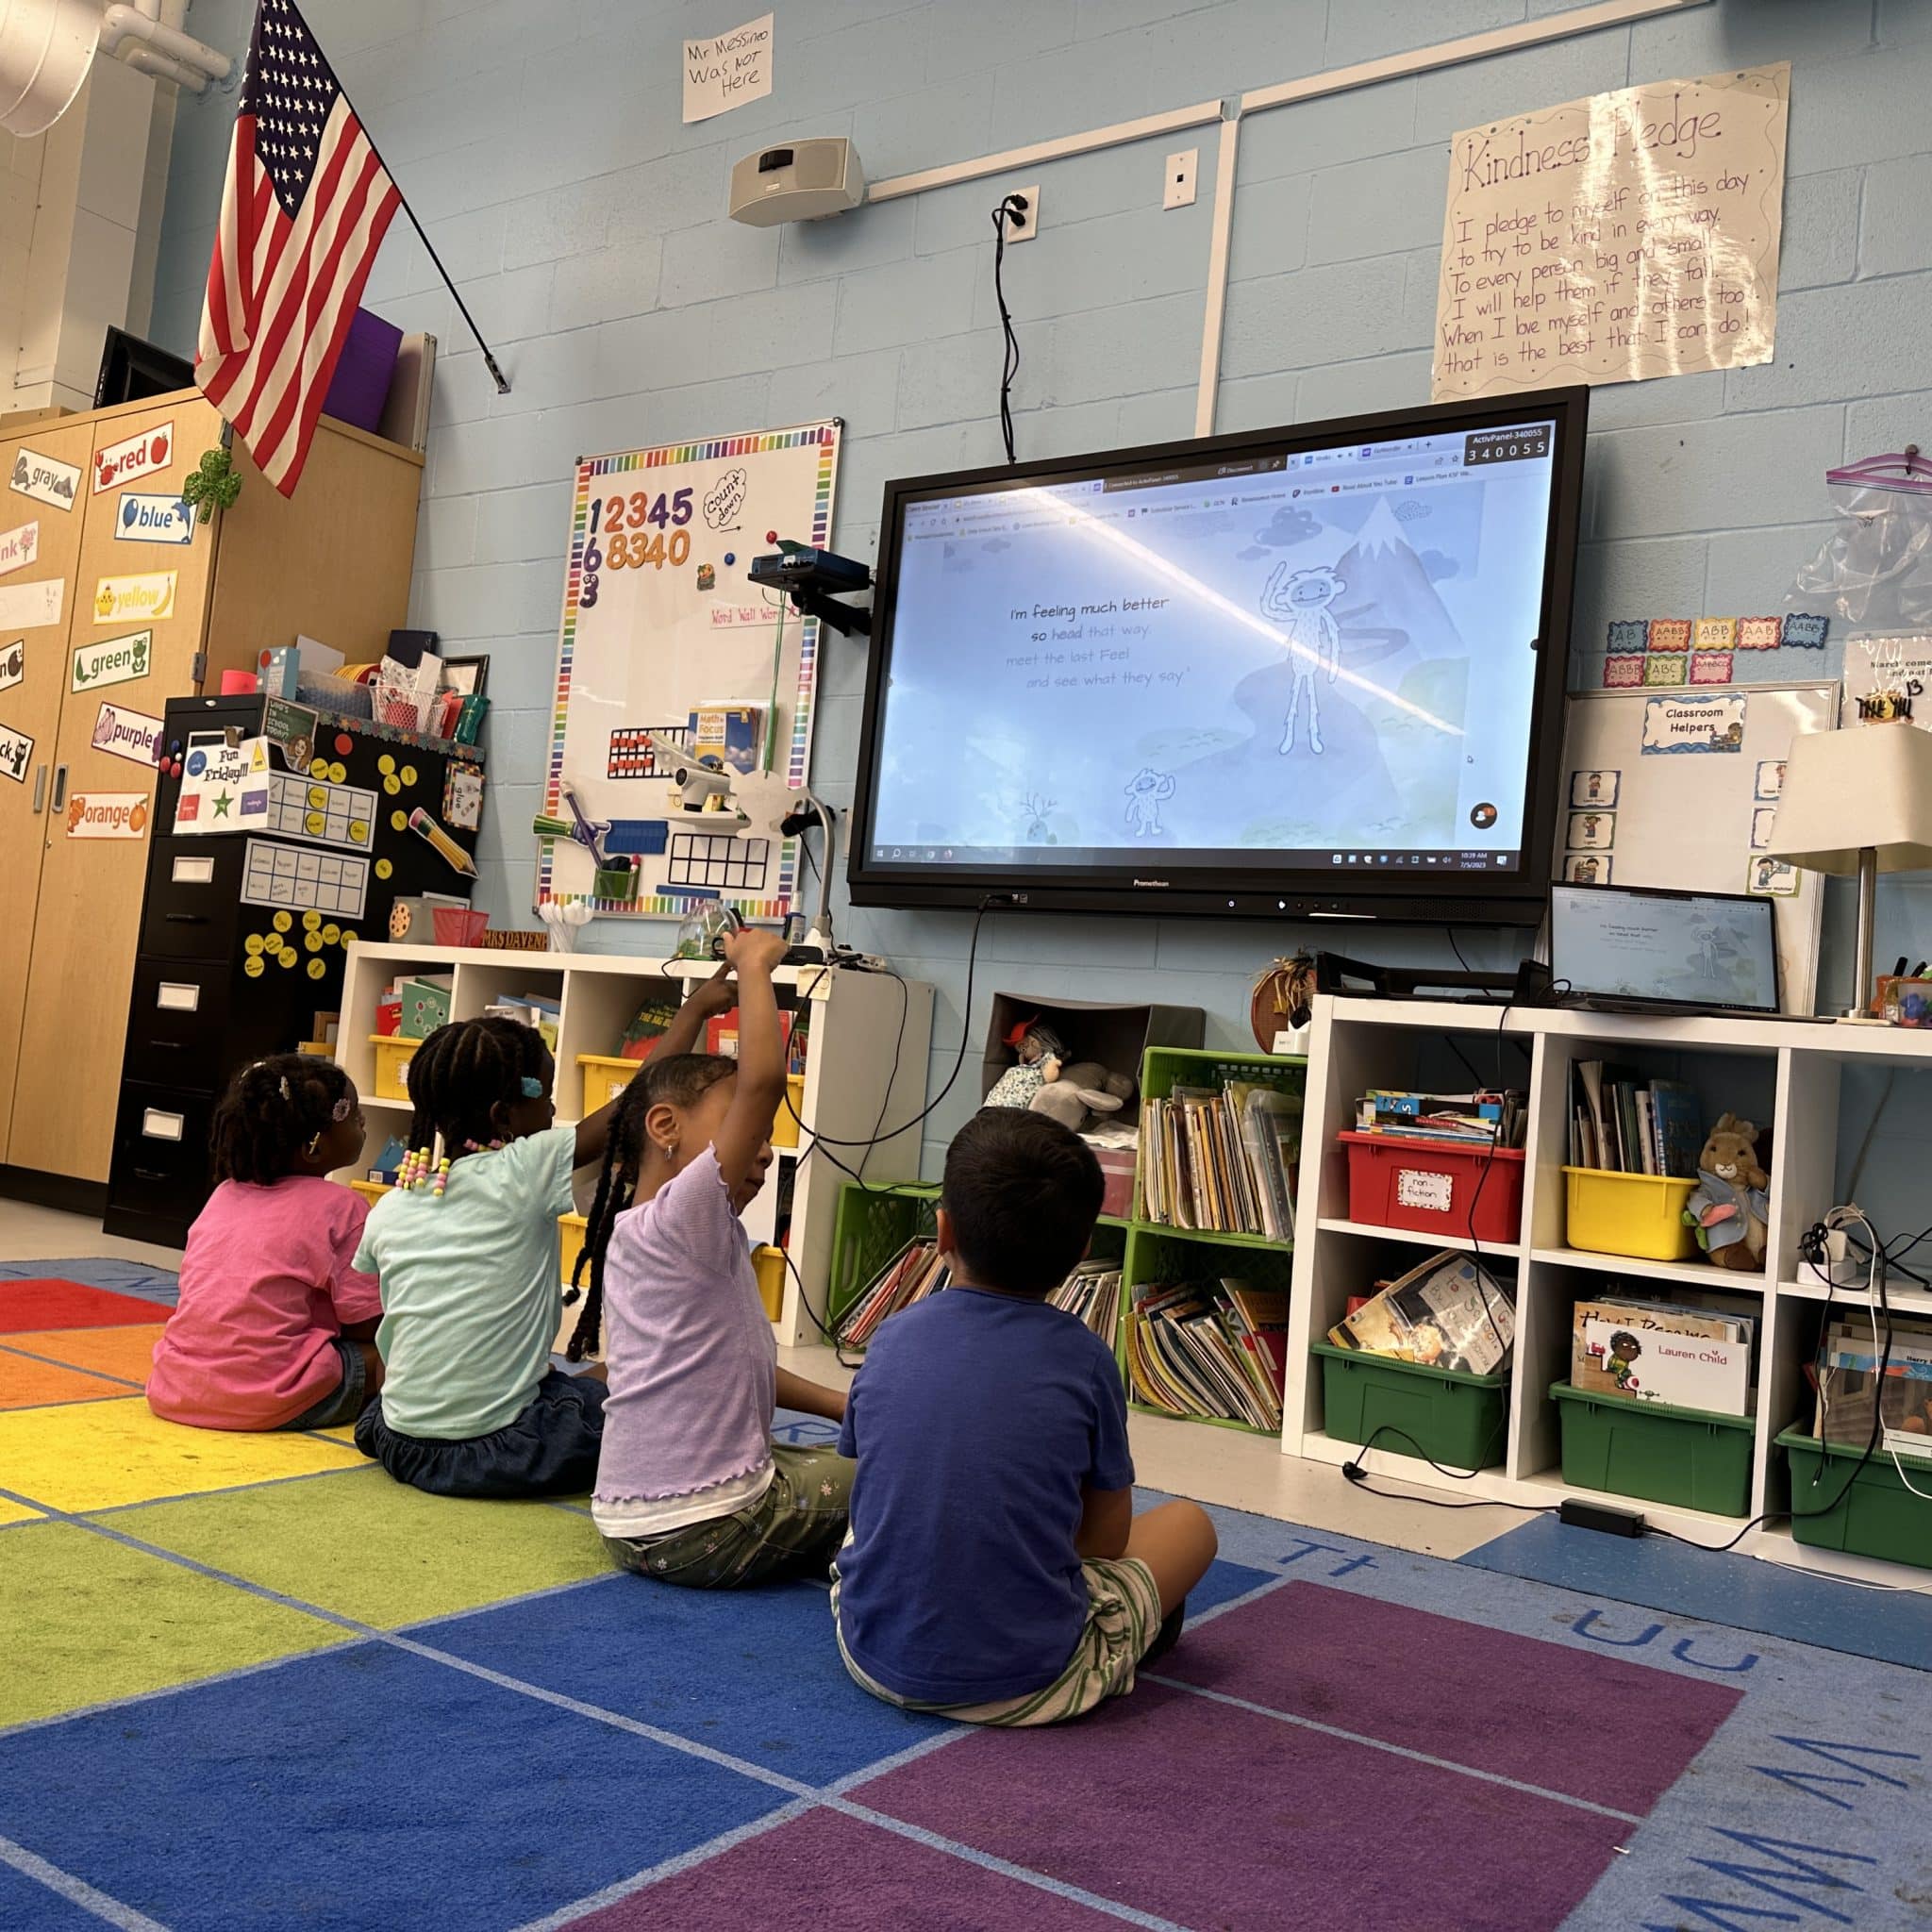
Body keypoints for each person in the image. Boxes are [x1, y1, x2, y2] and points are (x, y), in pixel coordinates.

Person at [833, 1108, 1218, 1725]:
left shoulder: (891, 1336)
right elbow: (1105, 1542)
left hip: (870, 1653)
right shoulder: (1086, 1360)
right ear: (1084, 1248)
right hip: (1034, 1682)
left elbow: (870, 1488)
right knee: (1190, 1525)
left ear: (943, 1231)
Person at [352, 982, 729, 1498]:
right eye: (546, 1096)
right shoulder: (523, 1169)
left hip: (400, 1439)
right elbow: (636, 1100)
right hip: (500, 1449)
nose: (552, 1110)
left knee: (572, 1386)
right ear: (503, 1117)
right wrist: (696, 1009)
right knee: (649, 1415)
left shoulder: (395, 1202)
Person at [580, 927, 852, 1587]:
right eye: (742, 1128)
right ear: (665, 1127)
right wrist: (755, 966)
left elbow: (735, 1363)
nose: (763, 1148)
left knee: (818, 1457)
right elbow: (762, 1082)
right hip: (710, 1528)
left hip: (631, 1523)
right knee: (901, 1474)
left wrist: (845, 1405)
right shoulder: (683, 1215)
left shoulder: (649, 1231)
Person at [148, 1056, 381, 1432]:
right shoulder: (345, 1207)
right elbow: (365, 1327)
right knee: (397, 1350)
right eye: (355, 1118)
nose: (363, 1125)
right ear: (314, 1148)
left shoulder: (224, 1194)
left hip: (177, 1387)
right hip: (272, 1397)